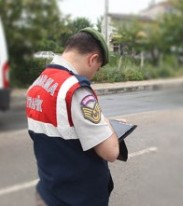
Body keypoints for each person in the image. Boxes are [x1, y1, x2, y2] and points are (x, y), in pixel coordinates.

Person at [26, 28, 120, 206]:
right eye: (97, 69)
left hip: (48, 193)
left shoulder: (36, 84)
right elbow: (111, 152)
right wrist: (109, 126)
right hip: (77, 199)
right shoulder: (76, 90)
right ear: (92, 59)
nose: (94, 75)